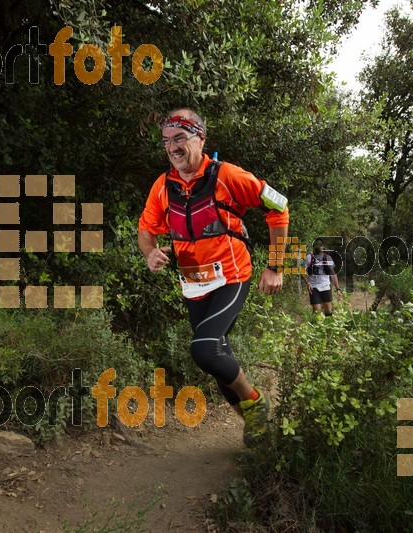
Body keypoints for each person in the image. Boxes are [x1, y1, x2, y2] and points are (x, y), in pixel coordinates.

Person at [138, 108, 289, 447]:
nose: (173, 147)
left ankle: (255, 402)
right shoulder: (163, 187)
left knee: (205, 350)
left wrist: (275, 266)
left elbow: (279, 206)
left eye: (180, 138)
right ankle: (257, 429)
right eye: (166, 141)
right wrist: (150, 252)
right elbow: (146, 229)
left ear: (201, 138)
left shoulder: (228, 176)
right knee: (218, 358)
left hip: (231, 276)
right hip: (193, 284)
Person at [302, 240, 341, 316]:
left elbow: (333, 274)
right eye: (317, 245)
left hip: (326, 286)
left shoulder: (327, 258)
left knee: (328, 310)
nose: (318, 247)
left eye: (320, 245)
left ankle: (328, 326)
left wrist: (338, 289)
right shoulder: (309, 258)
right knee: (317, 311)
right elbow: (303, 272)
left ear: (323, 247)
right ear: (313, 247)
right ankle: (316, 327)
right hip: (313, 287)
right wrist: (308, 283)